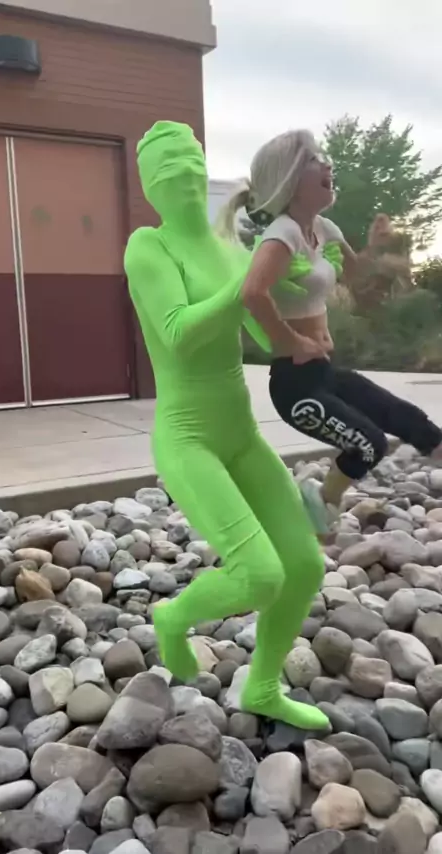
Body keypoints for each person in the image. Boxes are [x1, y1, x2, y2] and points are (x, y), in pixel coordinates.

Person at [124, 120, 329, 730]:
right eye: (170, 172)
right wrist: (247, 286)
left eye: (193, 167)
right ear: (149, 187)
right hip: (188, 438)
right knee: (259, 575)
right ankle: (172, 618)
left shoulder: (232, 247)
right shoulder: (148, 246)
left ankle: (262, 687)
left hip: (240, 434)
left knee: (305, 566)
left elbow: (267, 334)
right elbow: (178, 333)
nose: (186, 180)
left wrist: (306, 313)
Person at [215, 129, 442, 533]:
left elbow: (358, 279)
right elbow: (253, 292)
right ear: (289, 178)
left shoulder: (324, 229)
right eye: (314, 159)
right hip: (295, 385)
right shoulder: (282, 233)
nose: (327, 164)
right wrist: (290, 341)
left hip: (326, 371)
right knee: (368, 443)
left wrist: (376, 249)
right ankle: (319, 507)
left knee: (408, 420)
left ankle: (316, 509)